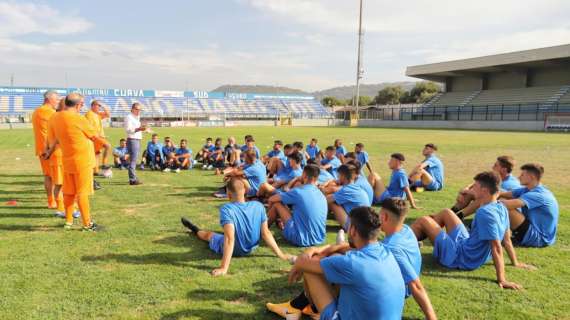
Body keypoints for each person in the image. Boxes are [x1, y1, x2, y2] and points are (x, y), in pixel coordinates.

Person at [410, 171, 535, 289]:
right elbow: (506, 240)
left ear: (484, 191)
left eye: (475, 187)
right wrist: (515, 262)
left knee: (423, 220)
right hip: (467, 244)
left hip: (461, 258)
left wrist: (502, 279)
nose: (471, 189)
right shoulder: (501, 207)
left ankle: (403, 242)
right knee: (446, 213)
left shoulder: (485, 213)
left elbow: (496, 246)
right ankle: (417, 238)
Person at [282, 206, 405, 320]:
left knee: (311, 270)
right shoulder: (386, 252)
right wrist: (318, 250)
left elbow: (304, 263)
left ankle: (312, 308)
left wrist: (308, 254)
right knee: (336, 261)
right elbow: (344, 247)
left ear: (353, 230)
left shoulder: (351, 263)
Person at [180, 178, 291, 276]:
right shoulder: (258, 206)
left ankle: (194, 229)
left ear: (228, 195)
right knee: (224, 234)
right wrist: (281, 254)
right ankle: (194, 229)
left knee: (210, 235)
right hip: (252, 247)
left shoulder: (226, 209)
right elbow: (266, 233)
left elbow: (229, 238)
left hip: (236, 250)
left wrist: (224, 268)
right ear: (245, 192)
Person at [43, 92, 109, 231]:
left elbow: (54, 139)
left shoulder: (55, 118)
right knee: (82, 192)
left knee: (69, 192)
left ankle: (69, 221)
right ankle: (87, 224)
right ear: (79, 105)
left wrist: (48, 151)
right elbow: (94, 136)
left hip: (67, 159)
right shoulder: (79, 119)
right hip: (82, 160)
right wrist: (110, 147)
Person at [379, 198, 437, 320]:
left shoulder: (392, 248)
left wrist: (431, 317)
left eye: (379, 214)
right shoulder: (405, 229)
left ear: (384, 217)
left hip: (401, 289)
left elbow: (416, 285)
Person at [266, 164, 328, 247]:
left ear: (304, 175)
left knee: (277, 204)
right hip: (319, 238)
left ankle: (263, 229)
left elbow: (272, 199)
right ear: (316, 178)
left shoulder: (298, 191)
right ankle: (273, 224)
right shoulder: (321, 194)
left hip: (300, 239)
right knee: (288, 206)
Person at [499, 163, 559, 248]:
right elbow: (503, 193)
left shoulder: (539, 194)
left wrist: (485, 199)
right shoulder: (528, 189)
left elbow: (504, 205)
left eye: (522, 175)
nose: (518, 177)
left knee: (504, 206)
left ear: (531, 177)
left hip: (539, 239)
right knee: (498, 196)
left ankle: (485, 227)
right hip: (533, 230)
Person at [452, 156, 521, 218]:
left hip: (509, 214)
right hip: (497, 207)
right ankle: (452, 212)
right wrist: (466, 189)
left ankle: (457, 217)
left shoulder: (510, 184)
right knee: (472, 193)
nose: (492, 167)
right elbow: (476, 184)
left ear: (504, 170)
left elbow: (490, 194)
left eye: (495, 166)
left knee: (483, 197)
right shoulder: (496, 178)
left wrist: (468, 191)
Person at [32, 90, 59, 208]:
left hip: (42, 148)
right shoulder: (49, 112)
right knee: (55, 177)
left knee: (49, 176)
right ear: (49, 99)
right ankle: (57, 203)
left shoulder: (37, 111)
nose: (57, 102)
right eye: (56, 99)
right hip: (49, 149)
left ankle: (51, 201)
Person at [328, 164, 370, 230]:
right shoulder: (355, 187)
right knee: (336, 199)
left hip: (356, 227)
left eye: (338, 175)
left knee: (332, 203)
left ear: (343, 176)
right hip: (364, 223)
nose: (337, 177)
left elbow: (325, 200)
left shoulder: (347, 190)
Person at [85, 100, 111, 173]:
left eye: (100, 106)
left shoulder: (97, 114)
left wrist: (103, 106)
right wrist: (98, 136)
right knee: (107, 146)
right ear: (93, 106)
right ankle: (104, 164)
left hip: (99, 137)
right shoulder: (89, 114)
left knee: (97, 153)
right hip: (95, 137)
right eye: (98, 105)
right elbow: (89, 127)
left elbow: (108, 114)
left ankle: (95, 171)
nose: (99, 107)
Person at [124, 103, 146, 185]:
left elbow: (137, 129)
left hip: (136, 139)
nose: (139, 111)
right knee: (133, 160)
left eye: (140, 110)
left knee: (134, 159)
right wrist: (139, 128)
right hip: (133, 139)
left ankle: (133, 177)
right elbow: (128, 130)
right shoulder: (129, 117)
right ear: (132, 109)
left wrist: (143, 128)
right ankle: (132, 179)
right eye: (137, 109)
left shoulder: (136, 117)